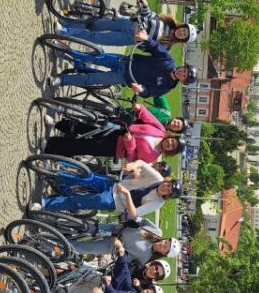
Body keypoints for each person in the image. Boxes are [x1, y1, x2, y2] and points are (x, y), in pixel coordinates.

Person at [47, 37, 197, 98]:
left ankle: (61, 80)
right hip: (124, 61)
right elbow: (155, 47)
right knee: (92, 57)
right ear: (183, 67)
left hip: (123, 77)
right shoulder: (168, 60)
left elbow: (149, 92)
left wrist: (141, 90)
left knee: (91, 79)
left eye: (184, 76)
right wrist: (146, 39)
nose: (182, 73)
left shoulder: (166, 87)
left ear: (183, 81)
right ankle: (64, 52)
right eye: (184, 70)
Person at [35, 160, 183, 218]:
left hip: (115, 200)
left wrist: (127, 196)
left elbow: (134, 214)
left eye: (169, 191)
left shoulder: (158, 203)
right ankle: (53, 175)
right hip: (114, 184)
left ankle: (45, 204)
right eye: (169, 185)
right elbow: (142, 163)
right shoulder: (157, 179)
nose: (166, 188)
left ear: (168, 196)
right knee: (87, 177)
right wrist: (132, 167)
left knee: (80, 201)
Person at [43, 103, 186, 163]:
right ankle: (58, 124)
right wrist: (140, 109)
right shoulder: (160, 131)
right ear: (172, 137)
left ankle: (51, 145)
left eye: (172, 147)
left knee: (85, 146)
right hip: (120, 129)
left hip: (115, 147)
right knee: (87, 126)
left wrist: (130, 143)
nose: (170, 144)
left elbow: (132, 158)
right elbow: (148, 117)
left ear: (170, 151)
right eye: (173, 141)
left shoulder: (152, 156)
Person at [57, 0, 198, 47]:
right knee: (93, 24)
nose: (182, 33)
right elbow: (148, 15)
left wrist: (146, 39)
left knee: (95, 37)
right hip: (128, 22)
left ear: (182, 40)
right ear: (182, 26)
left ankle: (64, 32)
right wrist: (144, 3)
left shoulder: (166, 46)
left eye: (184, 35)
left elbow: (149, 47)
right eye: (184, 30)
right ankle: (66, 23)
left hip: (128, 38)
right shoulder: (167, 21)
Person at [69, 213, 182, 264]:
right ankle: (58, 225)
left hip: (113, 244)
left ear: (164, 253)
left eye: (165, 247)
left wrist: (119, 247)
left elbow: (126, 259)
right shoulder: (157, 232)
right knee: (86, 227)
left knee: (83, 248)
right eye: (166, 241)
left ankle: (55, 244)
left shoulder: (146, 258)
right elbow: (140, 220)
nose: (163, 243)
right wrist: (131, 218)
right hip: (117, 229)